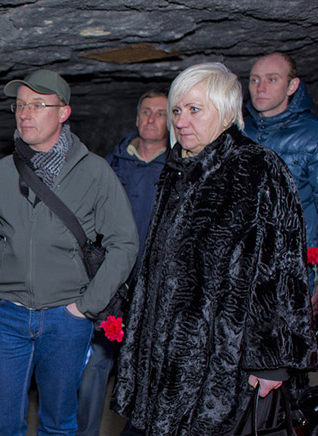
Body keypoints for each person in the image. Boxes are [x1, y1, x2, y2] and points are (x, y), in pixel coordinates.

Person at [112, 62, 317, 436]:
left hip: (224, 361)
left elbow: (281, 270)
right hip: (167, 357)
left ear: (225, 112)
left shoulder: (257, 167)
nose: (181, 121)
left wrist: (270, 362)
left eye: (194, 109)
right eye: (177, 110)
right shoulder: (179, 169)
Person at [0, 69, 138, 436]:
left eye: (38, 105)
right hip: (6, 315)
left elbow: (124, 242)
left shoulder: (94, 172)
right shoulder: (0, 174)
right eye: (20, 105)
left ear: (63, 113)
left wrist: (86, 306)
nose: (25, 114)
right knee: (2, 424)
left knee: (58, 423)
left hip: (66, 316)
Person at [76, 89, 169, 436]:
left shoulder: (179, 169)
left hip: (155, 290)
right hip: (110, 286)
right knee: (94, 366)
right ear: (136, 116)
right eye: (146, 111)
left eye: (161, 113)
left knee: (147, 370)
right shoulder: (108, 166)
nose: (151, 119)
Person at [243, 52, 318, 295]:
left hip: (295, 269)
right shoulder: (239, 132)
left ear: (292, 86)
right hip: (246, 269)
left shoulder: (312, 135)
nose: (260, 87)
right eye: (254, 79)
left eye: (272, 79)